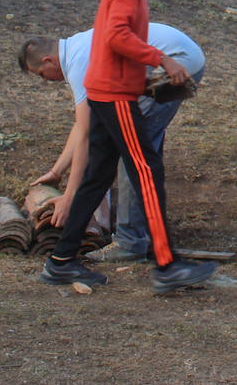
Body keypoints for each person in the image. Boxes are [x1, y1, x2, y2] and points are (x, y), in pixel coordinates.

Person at [37, 0, 215, 293]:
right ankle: (167, 266)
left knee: (97, 177)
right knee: (147, 172)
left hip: (107, 90)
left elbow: (111, 40)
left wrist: (142, 77)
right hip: (114, 95)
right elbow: (117, 36)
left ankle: (61, 261)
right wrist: (162, 60)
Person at [18, 23, 205, 262]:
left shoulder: (79, 63)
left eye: (41, 75)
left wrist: (69, 196)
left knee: (129, 149)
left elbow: (86, 134)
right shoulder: (77, 50)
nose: (46, 80)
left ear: (48, 61)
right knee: (140, 149)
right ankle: (146, 230)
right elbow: (84, 126)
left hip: (176, 62)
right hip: (183, 59)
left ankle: (130, 242)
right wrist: (57, 172)